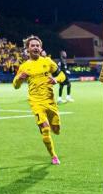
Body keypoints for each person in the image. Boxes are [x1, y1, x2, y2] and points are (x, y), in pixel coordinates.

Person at [12, 36, 67, 165]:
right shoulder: (24, 66)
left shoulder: (48, 62)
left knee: (56, 130)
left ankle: (46, 127)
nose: (35, 47)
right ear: (28, 49)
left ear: (40, 48)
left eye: (37, 45)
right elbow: (15, 85)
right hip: (35, 101)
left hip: (50, 101)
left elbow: (62, 75)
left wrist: (56, 80)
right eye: (33, 46)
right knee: (45, 129)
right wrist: (19, 77)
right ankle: (53, 155)